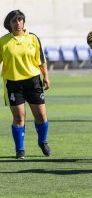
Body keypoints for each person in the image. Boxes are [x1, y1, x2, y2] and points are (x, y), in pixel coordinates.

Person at [0, 10, 51, 159]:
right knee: (19, 117)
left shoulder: (33, 38)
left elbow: (41, 60)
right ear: (9, 24)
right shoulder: (3, 41)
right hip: (13, 84)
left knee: (41, 116)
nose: (18, 23)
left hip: (33, 81)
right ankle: (20, 150)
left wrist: (46, 77)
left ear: (24, 22)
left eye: (20, 20)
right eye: (14, 21)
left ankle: (43, 142)